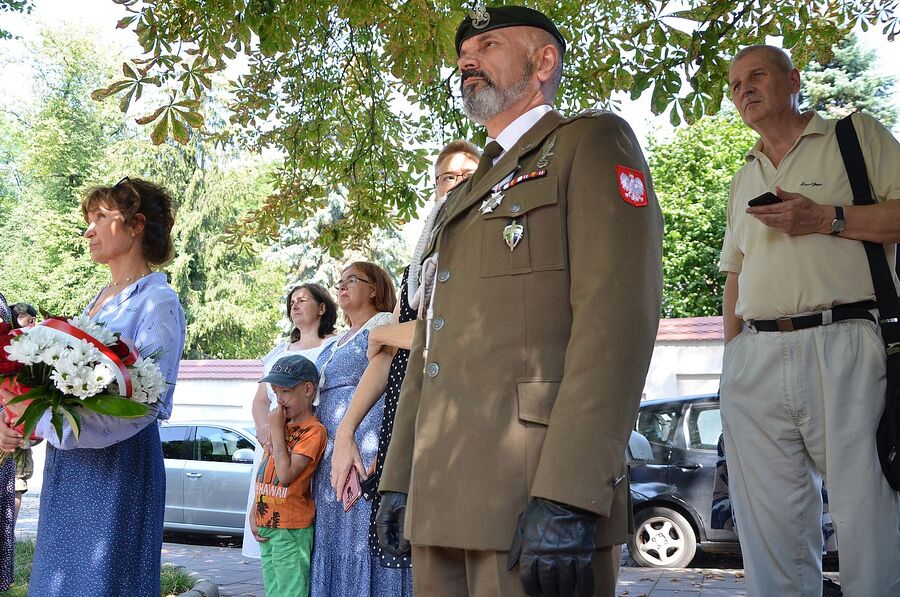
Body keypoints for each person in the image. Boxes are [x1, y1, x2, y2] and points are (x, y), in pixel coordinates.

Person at [377, 6, 663, 597]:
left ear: (543, 62)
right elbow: (434, 335)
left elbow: (617, 321)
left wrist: (570, 491)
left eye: (488, 44)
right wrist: (399, 476)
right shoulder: (472, 187)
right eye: (462, 53)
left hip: (532, 489)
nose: (467, 60)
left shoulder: (589, 143)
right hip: (443, 492)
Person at [719, 44, 900, 596]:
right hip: (756, 357)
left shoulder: (855, 137)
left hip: (845, 341)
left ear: (794, 80)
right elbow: (734, 275)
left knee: (868, 519)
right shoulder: (742, 178)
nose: (743, 89)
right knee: (768, 534)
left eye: (757, 75)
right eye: (733, 84)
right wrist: (731, 365)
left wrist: (825, 217)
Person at [0, 177, 186, 596]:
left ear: (135, 224)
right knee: (61, 579)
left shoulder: (158, 301)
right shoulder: (102, 297)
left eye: (101, 217)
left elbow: (148, 401)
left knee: (103, 583)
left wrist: (48, 424)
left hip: (119, 466)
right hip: (73, 465)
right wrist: (22, 415)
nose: (89, 230)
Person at [329, 140, 480, 570]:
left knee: (452, 563)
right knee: (415, 561)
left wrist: (391, 333)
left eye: (465, 177)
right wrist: (345, 434)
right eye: (445, 179)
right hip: (407, 426)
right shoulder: (421, 263)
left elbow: (461, 334)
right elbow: (384, 358)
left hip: (455, 428)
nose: (453, 186)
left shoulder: (481, 250)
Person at [309, 261, 412, 596]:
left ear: (374, 289)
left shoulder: (383, 323)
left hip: (363, 451)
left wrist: (381, 446)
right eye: (339, 281)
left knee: (361, 540)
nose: (341, 286)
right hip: (329, 458)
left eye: (352, 279)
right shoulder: (335, 342)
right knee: (335, 539)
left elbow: (391, 382)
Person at [242, 283, 337, 559]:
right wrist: (264, 429)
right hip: (273, 440)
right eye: (292, 302)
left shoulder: (334, 346)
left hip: (306, 444)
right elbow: (261, 400)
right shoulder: (279, 351)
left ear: (322, 308)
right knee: (270, 525)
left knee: (296, 534)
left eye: (302, 300)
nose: (294, 305)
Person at [253, 354, 327, 597]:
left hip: (291, 527)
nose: (279, 400)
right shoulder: (282, 427)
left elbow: (285, 475)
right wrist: (255, 510)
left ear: (307, 389)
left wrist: (275, 429)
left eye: (285, 391)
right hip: (268, 523)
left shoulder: (313, 431)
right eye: (275, 392)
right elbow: (266, 471)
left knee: (291, 593)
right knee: (273, 591)